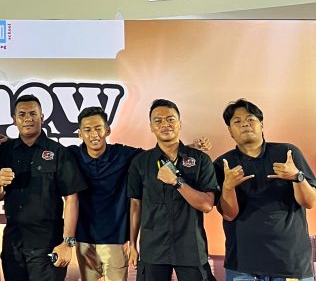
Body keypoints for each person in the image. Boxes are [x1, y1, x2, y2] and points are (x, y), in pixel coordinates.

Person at [69, 106, 212, 281]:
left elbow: (157, 156)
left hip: (116, 239)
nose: (94, 134)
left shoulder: (124, 154)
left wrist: (190, 149)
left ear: (107, 130)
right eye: (87, 130)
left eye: (98, 128)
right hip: (84, 238)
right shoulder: (70, 155)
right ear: (80, 134)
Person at [214, 99, 316, 281]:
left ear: (261, 124)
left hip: (290, 263)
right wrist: (228, 187)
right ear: (230, 131)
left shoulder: (287, 153)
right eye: (237, 121)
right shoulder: (223, 164)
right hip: (242, 266)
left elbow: (309, 202)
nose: (245, 124)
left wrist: (297, 177)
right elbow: (229, 214)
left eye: (250, 119)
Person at [0, 95, 86, 281]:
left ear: (42, 117)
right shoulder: (4, 150)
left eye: (33, 114)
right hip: (13, 242)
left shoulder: (58, 151)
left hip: (47, 242)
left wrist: (67, 242)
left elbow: (72, 198)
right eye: (22, 114)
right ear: (14, 119)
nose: (28, 118)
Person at [127, 99, 218, 281]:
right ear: (151, 127)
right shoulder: (141, 162)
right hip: (153, 248)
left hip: (191, 248)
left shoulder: (200, 160)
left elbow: (207, 205)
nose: (165, 124)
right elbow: (135, 205)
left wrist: (177, 182)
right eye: (158, 120)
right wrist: (132, 244)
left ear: (179, 123)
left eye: (170, 119)